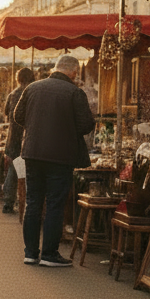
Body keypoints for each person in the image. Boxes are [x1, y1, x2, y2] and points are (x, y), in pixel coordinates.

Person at [12, 54, 94, 267]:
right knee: (55, 204)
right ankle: (49, 253)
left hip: (32, 152)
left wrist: (36, 126)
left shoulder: (32, 88)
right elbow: (86, 125)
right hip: (60, 156)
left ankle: (30, 252)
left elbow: (17, 116)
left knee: (33, 202)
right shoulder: (75, 92)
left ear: (56, 68)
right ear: (74, 71)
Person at [1, 67, 35, 215]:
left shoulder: (12, 94)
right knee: (26, 172)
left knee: (13, 171)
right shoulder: (31, 93)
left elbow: (6, 112)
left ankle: (8, 202)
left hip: (12, 137)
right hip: (26, 137)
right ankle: (26, 202)